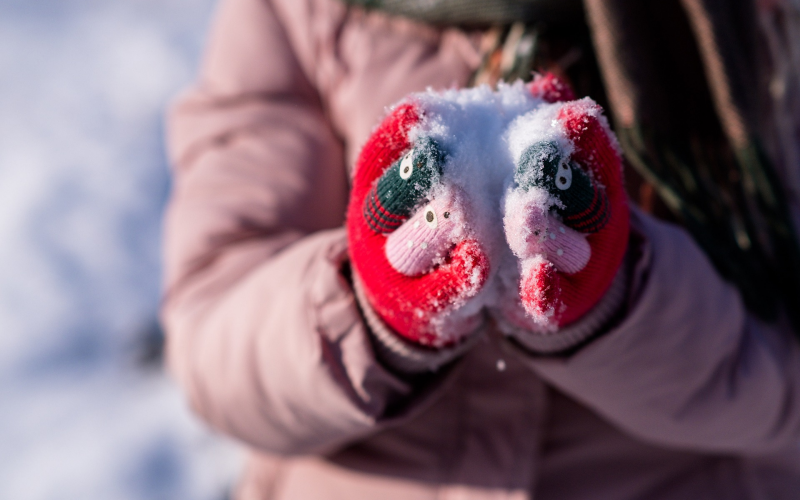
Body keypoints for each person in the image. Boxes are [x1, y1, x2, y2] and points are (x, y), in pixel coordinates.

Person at [162, 0, 800, 498]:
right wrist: (371, 305)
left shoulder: (758, 23)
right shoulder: (302, 13)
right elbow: (212, 338)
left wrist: (616, 301)